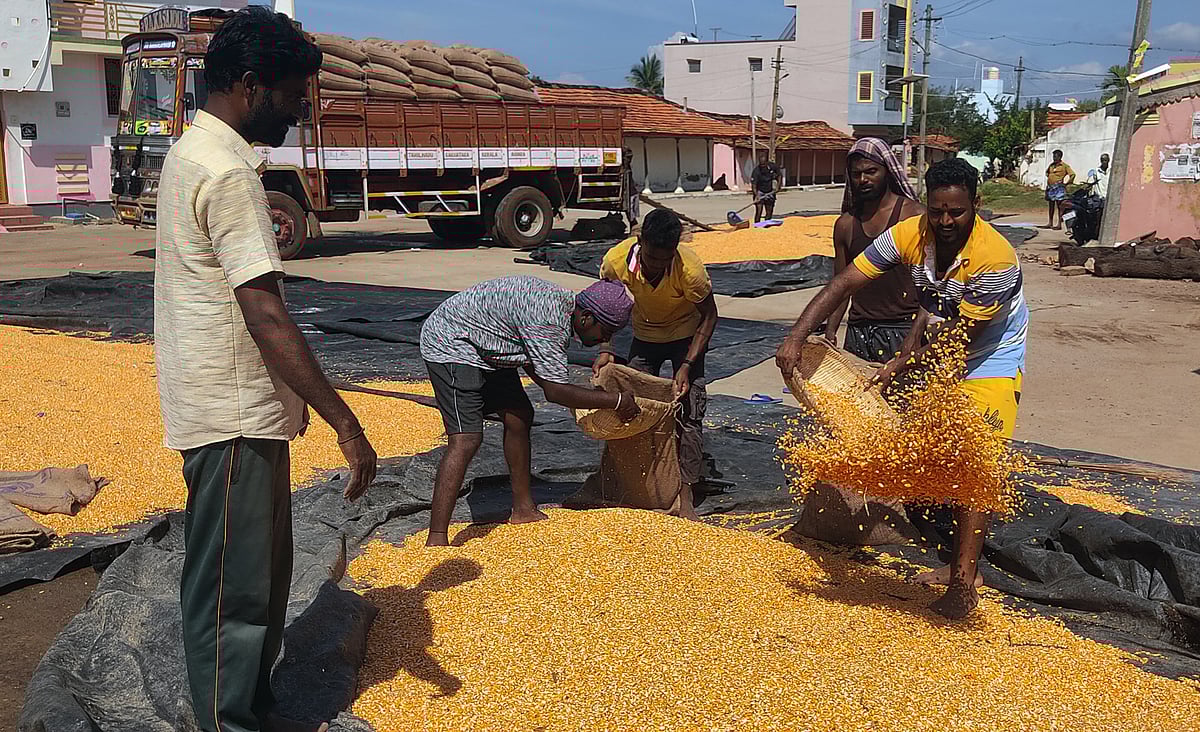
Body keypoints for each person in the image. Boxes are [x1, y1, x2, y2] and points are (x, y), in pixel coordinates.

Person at [154, 8, 377, 732]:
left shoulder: (194, 153)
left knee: (259, 575)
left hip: (237, 404)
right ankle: (230, 720)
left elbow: (234, 301)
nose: (299, 109)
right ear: (251, 86)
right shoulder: (227, 174)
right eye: (292, 93)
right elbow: (265, 314)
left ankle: (249, 706)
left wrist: (286, 391)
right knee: (235, 591)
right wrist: (347, 422)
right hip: (230, 416)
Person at [776, 158, 1029, 620]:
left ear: (977, 204)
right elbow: (845, 282)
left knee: (975, 461)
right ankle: (956, 560)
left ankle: (963, 584)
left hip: (991, 356)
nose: (946, 222)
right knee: (933, 458)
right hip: (941, 338)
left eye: (957, 212)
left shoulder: (995, 259)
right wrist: (796, 335)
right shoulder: (909, 235)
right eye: (937, 211)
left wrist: (901, 364)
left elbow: (962, 340)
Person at [420, 277, 641, 547]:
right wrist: (616, 401)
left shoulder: (563, 309)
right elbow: (555, 391)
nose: (604, 340)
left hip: (489, 342)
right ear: (585, 317)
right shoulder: (549, 323)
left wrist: (585, 398)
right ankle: (437, 537)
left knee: (519, 414)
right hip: (451, 342)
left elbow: (537, 366)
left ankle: (523, 509)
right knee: (466, 438)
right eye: (605, 331)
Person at [594, 209, 718, 520]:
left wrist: (687, 364)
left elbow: (709, 316)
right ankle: (635, 480)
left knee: (689, 411)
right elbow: (605, 304)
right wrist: (606, 348)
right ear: (640, 242)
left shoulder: (690, 271)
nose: (657, 266)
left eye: (665, 260)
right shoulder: (616, 261)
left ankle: (685, 492)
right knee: (632, 407)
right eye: (651, 258)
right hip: (645, 334)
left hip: (685, 336)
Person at [824, 138, 924, 364]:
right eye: (856, 174)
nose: (863, 180)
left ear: (887, 171)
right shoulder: (846, 225)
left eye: (871, 171)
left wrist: (916, 333)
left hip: (903, 329)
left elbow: (932, 284)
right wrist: (830, 333)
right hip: (859, 333)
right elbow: (841, 286)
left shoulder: (913, 216)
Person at [1044, 149, 1076, 229]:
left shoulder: (1064, 166)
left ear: (1060, 157)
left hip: (1059, 188)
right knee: (1051, 206)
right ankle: (1050, 222)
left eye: (1056, 156)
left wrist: (1067, 183)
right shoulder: (1051, 165)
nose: (1054, 158)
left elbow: (1072, 174)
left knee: (1060, 206)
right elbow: (1047, 173)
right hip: (1050, 188)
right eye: (1053, 156)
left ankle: (1059, 224)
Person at [750, 151, 782, 223]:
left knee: (769, 211)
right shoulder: (756, 171)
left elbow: (779, 175)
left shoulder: (773, 166)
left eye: (764, 164)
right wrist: (756, 195)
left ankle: (767, 224)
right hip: (759, 192)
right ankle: (757, 225)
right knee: (759, 211)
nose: (762, 166)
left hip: (770, 191)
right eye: (761, 165)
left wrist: (778, 186)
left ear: (767, 162)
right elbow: (754, 186)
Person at [622, 146, 640, 230]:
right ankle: (634, 225)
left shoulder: (627, 167)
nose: (629, 159)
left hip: (631, 191)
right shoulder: (624, 167)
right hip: (629, 191)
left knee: (631, 210)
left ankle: (634, 225)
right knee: (630, 210)